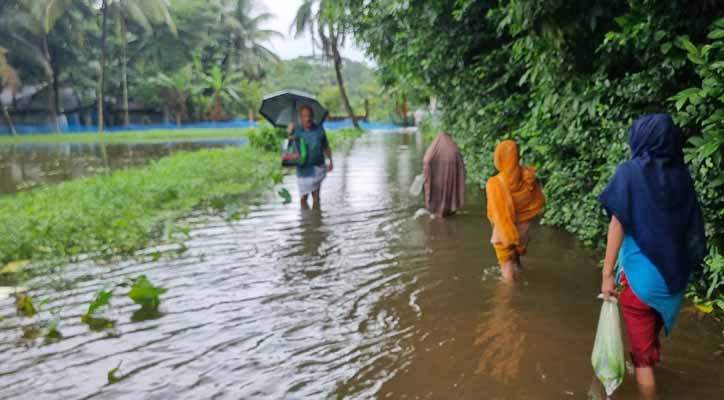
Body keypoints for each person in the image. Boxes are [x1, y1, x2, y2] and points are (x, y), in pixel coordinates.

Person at [598, 113, 706, 398]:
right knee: (648, 341)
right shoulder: (680, 176)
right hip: (672, 281)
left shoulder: (630, 172)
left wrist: (607, 273)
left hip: (639, 282)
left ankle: (649, 392)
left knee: (640, 359)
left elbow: (618, 223)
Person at [485, 140, 545, 282]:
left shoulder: (495, 183)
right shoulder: (528, 178)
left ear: (499, 158)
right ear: (518, 156)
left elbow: (495, 215)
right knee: (517, 259)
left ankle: (509, 301)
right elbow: (538, 202)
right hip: (523, 230)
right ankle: (519, 269)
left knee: (507, 277)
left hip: (503, 234)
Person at [287, 105, 333, 209]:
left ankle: (316, 221)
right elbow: (289, 150)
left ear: (313, 117)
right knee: (303, 198)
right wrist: (289, 134)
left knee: (316, 197)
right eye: (304, 116)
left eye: (309, 116)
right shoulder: (296, 131)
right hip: (303, 170)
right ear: (300, 117)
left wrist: (330, 161)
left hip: (318, 167)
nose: (307, 119)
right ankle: (305, 222)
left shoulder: (319, 129)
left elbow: (326, 146)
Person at [422, 132, 466, 217]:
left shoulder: (432, 149)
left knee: (436, 197)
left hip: (436, 181)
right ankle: (449, 210)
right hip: (450, 178)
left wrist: (426, 173)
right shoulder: (453, 148)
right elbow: (461, 165)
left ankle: (437, 213)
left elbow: (426, 161)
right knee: (449, 194)